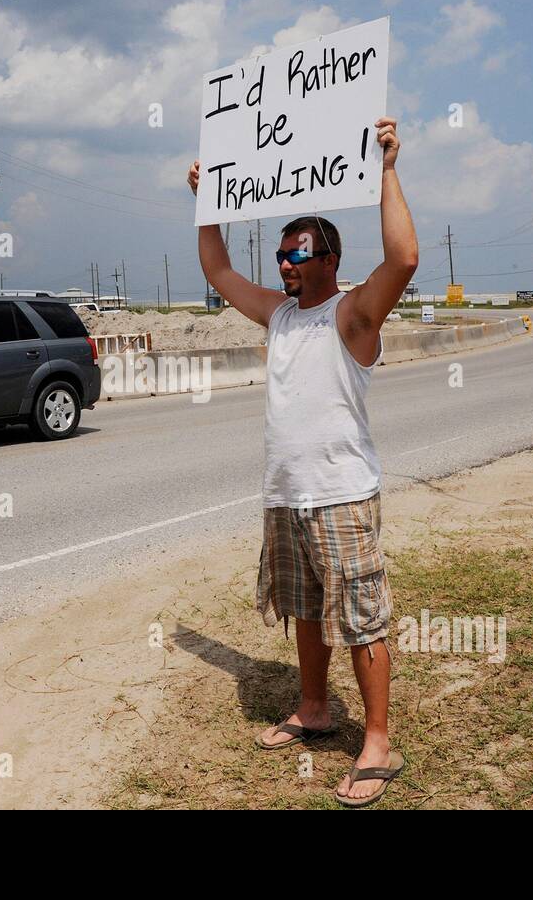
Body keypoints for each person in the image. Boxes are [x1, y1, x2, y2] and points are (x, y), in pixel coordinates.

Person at [187, 116, 418, 808]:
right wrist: (208, 206)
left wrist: (386, 168)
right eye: (283, 253)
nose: (285, 264)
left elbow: (403, 259)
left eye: (299, 253)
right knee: (307, 610)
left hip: (343, 494)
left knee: (362, 618)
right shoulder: (281, 316)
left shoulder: (353, 315)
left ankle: (377, 743)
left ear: (329, 260)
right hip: (286, 495)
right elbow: (220, 271)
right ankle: (314, 708)